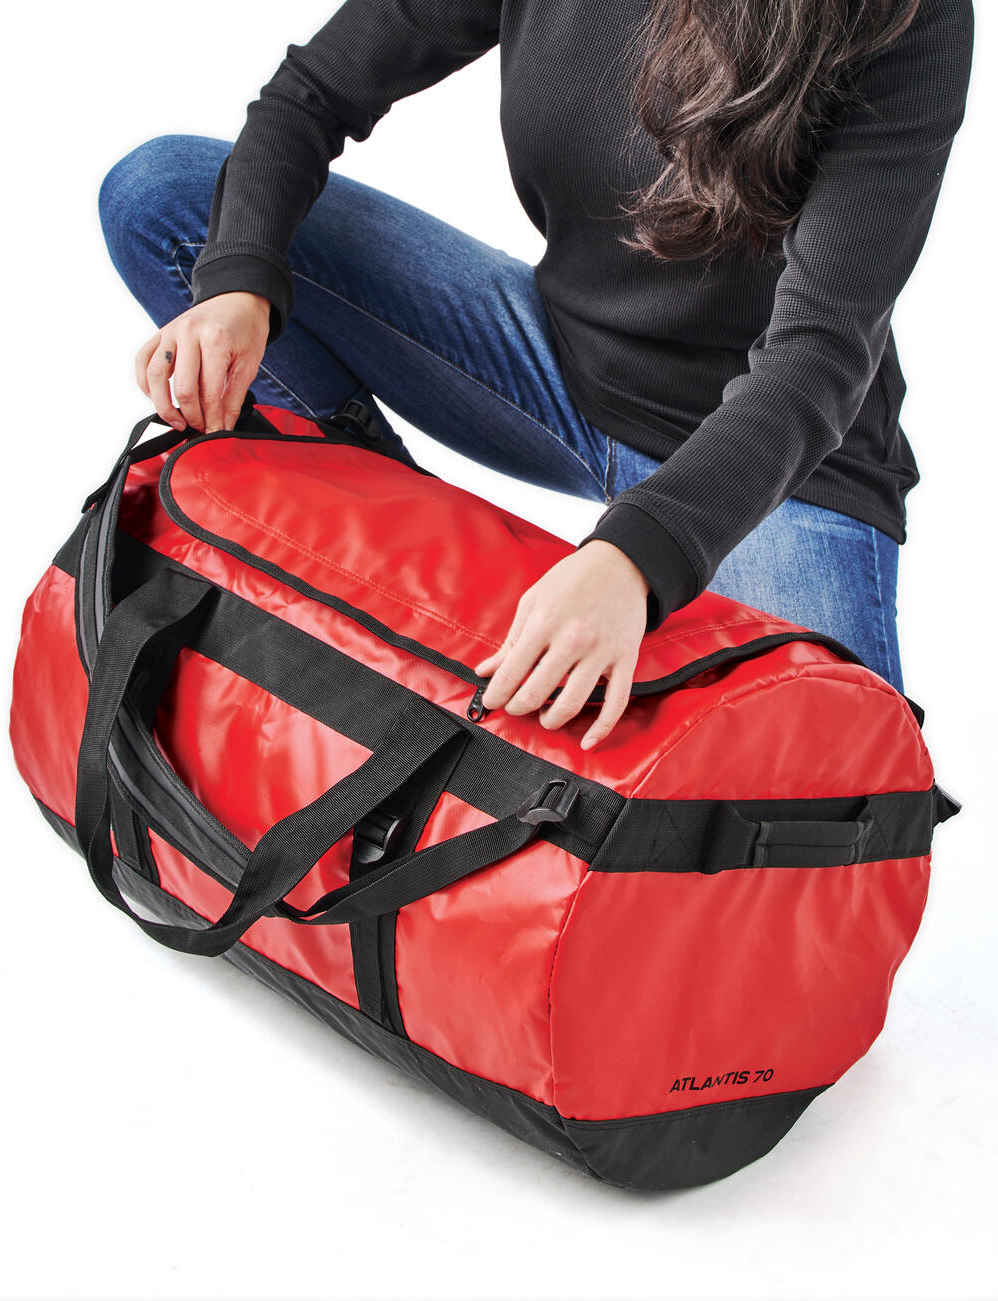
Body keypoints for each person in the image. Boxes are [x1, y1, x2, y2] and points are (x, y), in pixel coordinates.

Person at [98, 0, 973, 750]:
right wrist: (240, 286)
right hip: (563, 367)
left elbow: (818, 354)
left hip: (778, 466)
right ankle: (382, 549)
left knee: (830, 793)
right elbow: (311, 94)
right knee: (165, 195)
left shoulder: (906, 16)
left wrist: (635, 555)